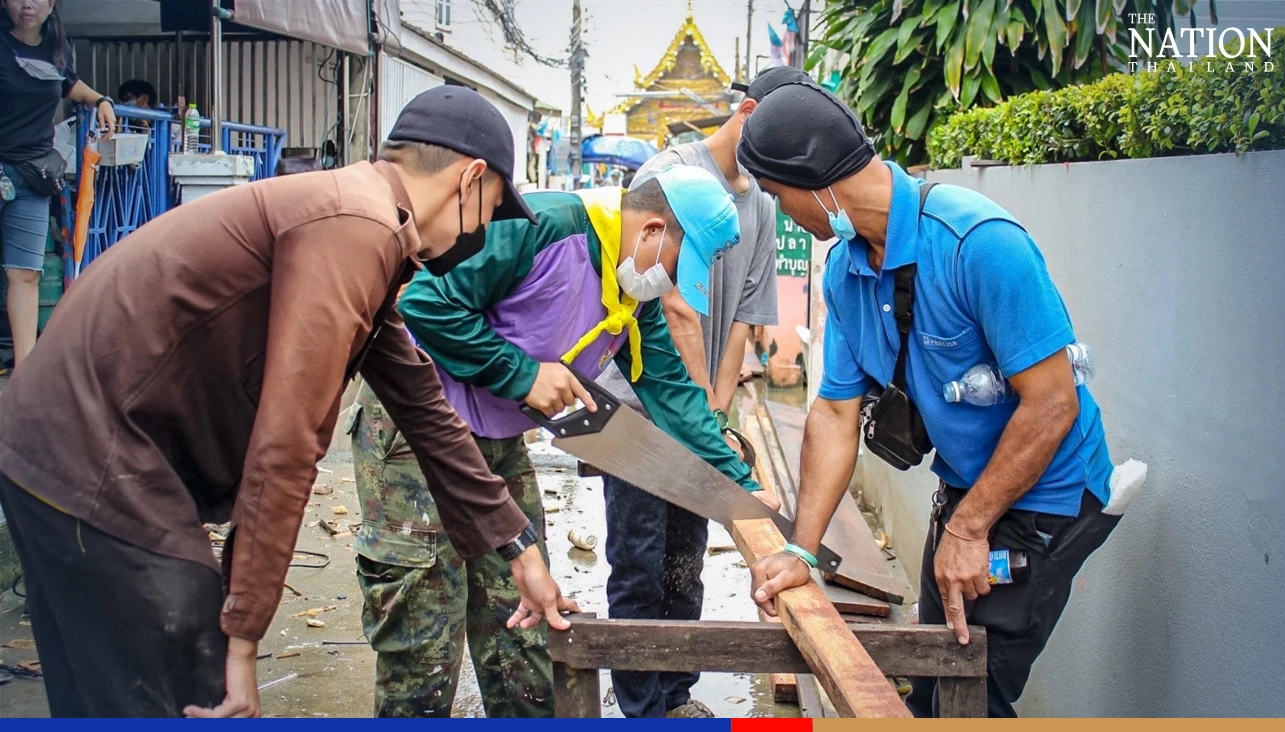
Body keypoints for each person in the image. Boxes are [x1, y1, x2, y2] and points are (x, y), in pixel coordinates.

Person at [0, 85, 575, 718]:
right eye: (492, 208)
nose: (486, 231)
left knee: (135, 685)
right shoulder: (357, 225)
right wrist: (244, 637)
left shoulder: (362, 220)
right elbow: (289, 440)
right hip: (88, 448)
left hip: (75, 441)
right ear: (470, 179)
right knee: (189, 671)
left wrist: (518, 550)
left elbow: (426, 411)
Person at [737, 82, 1121, 718]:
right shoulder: (845, 270)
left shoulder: (979, 243)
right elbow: (835, 412)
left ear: (813, 181)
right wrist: (802, 551)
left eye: (777, 195)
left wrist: (971, 528)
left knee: (975, 689)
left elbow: (1053, 405)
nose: (782, 212)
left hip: (1047, 499)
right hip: (966, 493)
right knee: (930, 680)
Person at [353, 165, 776, 718]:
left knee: (528, 617)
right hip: (418, 426)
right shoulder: (538, 226)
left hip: (498, 435)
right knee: (424, 632)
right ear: (650, 231)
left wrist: (740, 485)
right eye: (676, 266)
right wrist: (525, 375)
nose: (671, 283)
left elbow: (669, 390)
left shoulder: (629, 291)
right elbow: (424, 306)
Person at [592, 65, 809, 720]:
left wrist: (714, 418)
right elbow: (672, 310)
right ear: (746, 113)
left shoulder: (765, 207)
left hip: (696, 409)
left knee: (685, 561)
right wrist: (694, 426)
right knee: (640, 561)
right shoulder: (670, 175)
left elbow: (746, 314)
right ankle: (641, 706)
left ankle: (675, 695)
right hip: (638, 407)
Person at [0, 0, 114, 368]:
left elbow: (70, 84)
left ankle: (25, 373)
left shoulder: (56, 49)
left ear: (51, 5)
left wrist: (101, 100)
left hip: (33, 173)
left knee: (26, 273)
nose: (26, 3)